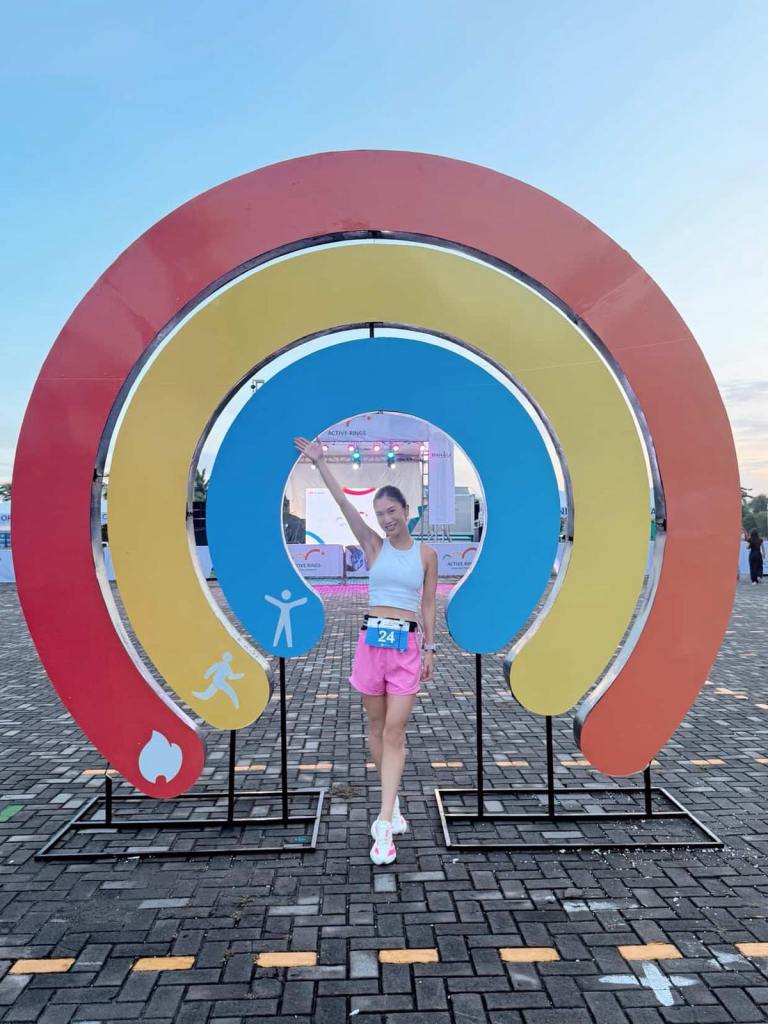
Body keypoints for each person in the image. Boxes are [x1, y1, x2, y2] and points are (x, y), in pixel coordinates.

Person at [294, 436, 438, 865]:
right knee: (376, 729)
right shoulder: (374, 546)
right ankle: (392, 802)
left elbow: (429, 603)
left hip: (406, 647)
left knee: (395, 731)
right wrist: (320, 464)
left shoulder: (427, 555)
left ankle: (383, 822)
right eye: (380, 514)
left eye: (392, 511)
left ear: (406, 511)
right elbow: (344, 506)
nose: (386, 519)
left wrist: (430, 648)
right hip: (371, 644)